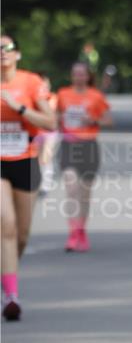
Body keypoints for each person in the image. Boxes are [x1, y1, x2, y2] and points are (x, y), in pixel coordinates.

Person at [1, 34, 57, 321]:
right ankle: (11, 297)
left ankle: (7, 277)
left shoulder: (30, 82)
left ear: (18, 54)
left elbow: (51, 122)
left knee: (21, 235)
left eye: (7, 48)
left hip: (26, 160)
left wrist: (19, 107)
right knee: (6, 225)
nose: (2, 52)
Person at [56, 62, 112, 252]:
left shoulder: (96, 95)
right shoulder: (63, 94)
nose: (78, 77)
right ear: (71, 76)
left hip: (89, 146)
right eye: (75, 74)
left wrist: (93, 119)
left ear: (88, 76)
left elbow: (109, 120)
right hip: (68, 146)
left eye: (82, 74)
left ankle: (82, 231)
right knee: (71, 189)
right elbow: (54, 118)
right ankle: (72, 233)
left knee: (85, 195)